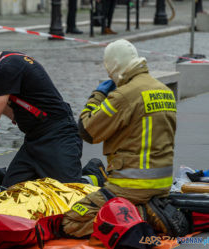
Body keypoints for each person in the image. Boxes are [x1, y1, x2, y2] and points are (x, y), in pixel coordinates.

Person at [61, 39, 183, 238]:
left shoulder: (124, 95)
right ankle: (152, 208)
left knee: (72, 220)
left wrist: (98, 94)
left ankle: (144, 214)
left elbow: (87, 130)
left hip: (131, 185)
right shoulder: (165, 91)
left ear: (115, 68)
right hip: (162, 184)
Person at [0, 43, 87, 187]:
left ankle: (95, 175)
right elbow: (14, 116)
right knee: (11, 190)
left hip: (59, 136)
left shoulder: (7, 68)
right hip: (35, 140)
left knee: (72, 191)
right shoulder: (8, 63)